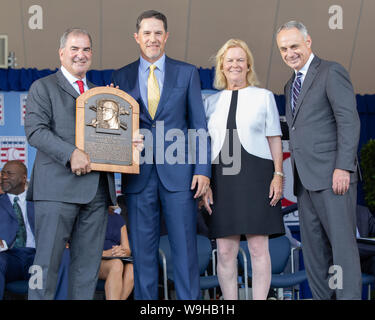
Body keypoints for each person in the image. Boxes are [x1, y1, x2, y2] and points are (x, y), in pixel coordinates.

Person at [111, 10, 211, 299]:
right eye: (147, 33)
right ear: (137, 37)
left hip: (180, 176)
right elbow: (115, 127)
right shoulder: (121, 75)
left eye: (158, 33)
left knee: (184, 252)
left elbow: (199, 126)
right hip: (138, 177)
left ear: (166, 36)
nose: (152, 39)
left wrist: (202, 169)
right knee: (142, 255)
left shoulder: (187, 72)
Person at [24, 28, 117, 300]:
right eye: (75, 49)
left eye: (86, 49)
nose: (81, 54)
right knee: (44, 268)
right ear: (61, 53)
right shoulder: (43, 87)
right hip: (55, 193)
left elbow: (110, 140)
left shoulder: (101, 95)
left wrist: (128, 145)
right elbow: (35, 130)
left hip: (96, 194)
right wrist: (70, 153)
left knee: (86, 272)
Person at [276, 21, 361, 299]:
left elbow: (348, 121)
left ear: (308, 42)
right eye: (284, 49)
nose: (290, 53)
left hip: (333, 178)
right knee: (314, 254)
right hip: (304, 182)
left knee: (342, 252)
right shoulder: (289, 85)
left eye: (294, 46)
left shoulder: (330, 72)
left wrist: (343, 166)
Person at [202, 39, 285, 300]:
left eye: (240, 59)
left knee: (259, 247)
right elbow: (204, 145)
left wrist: (278, 174)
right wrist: (205, 184)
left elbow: (274, 138)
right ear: (221, 67)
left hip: (257, 176)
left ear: (248, 65)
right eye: (230, 60)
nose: (235, 64)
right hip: (221, 177)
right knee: (225, 250)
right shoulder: (210, 102)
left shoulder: (264, 97)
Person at [0, 160, 35, 300]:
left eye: (9, 173)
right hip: (8, 257)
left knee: (62, 258)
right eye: (2, 173)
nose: (4, 177)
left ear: (23, 177)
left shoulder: (39, 202)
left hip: (36, 256)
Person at [99, 206, 134, 300]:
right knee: (116, 264)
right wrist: (106, 253)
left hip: (116, 258)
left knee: (132, 268)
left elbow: (127, 249)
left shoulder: (118, 218)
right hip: (96, 259)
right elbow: (83, 249)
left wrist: (121, 252)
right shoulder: (90, 216)